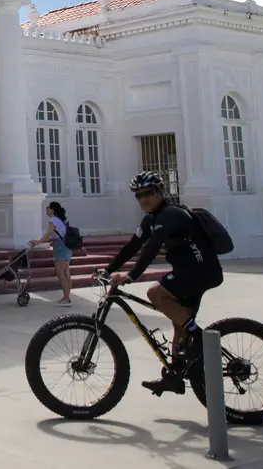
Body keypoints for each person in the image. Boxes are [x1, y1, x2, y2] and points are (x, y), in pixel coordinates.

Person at [102, 170, 224, 396]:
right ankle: (175, 376)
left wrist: (132, 274)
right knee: (180, 324)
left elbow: (152, 246)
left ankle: (199, 338)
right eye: (138, 196)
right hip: (190, 272)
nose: (143, 199)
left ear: (160, 191)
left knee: (156, 294)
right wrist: (108, 269)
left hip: (200, 271)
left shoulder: (170, 214)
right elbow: (133, 246)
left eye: (148, 193)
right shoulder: (150, 219)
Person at [28, 201, 74, 306]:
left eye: (48, 207)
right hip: (66, 247)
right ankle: (67, 296)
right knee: (66, 272)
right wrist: (38, 241)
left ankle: (67, 299)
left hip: (60, 248)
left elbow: (49, 233)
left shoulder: (53, 220)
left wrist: (38, 242)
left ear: (52, 209)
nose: (46, 209)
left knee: (60, 273)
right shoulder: (60, 220)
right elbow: (51, 237)